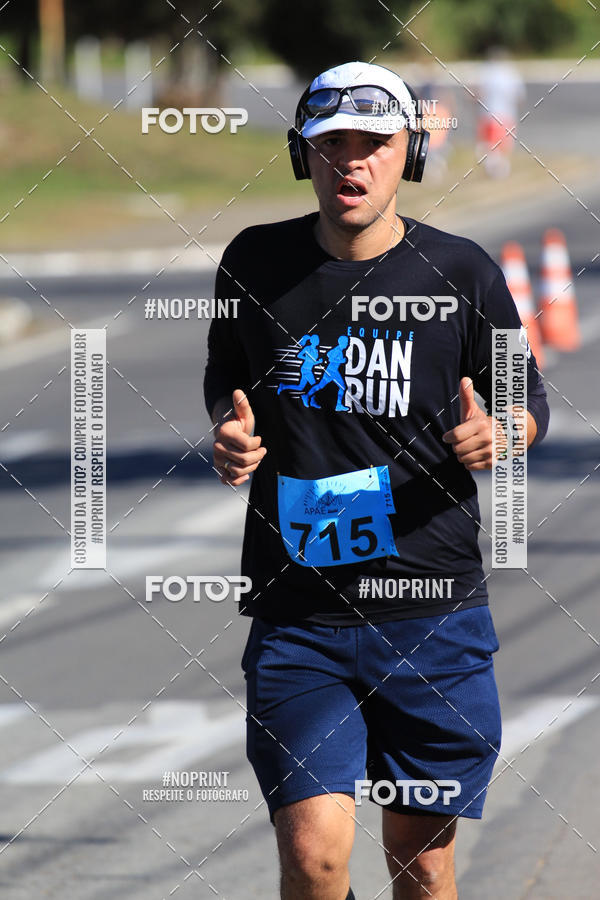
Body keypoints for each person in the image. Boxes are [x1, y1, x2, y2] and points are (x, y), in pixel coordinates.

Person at [204, 61, 549, 900]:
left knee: (423, 865)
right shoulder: (255, 262)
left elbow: (525, 400)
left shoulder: (462, 274)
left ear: (412, 156)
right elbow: (226, 372)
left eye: (373, 145)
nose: (349, 164)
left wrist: (500, 433)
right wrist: (228, 429)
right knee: (313, 858)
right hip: (301, 614)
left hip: (433, 617)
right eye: (330, 147)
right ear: (301, 157)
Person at [476, 47, 526, 178]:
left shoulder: (486, 72)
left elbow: (478, 93)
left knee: (490, 146)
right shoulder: (511, 73)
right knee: (502, 146)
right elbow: (519, 97)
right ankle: (498, 170)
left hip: (488, 115)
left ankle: (495, 170)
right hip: (506, 116)